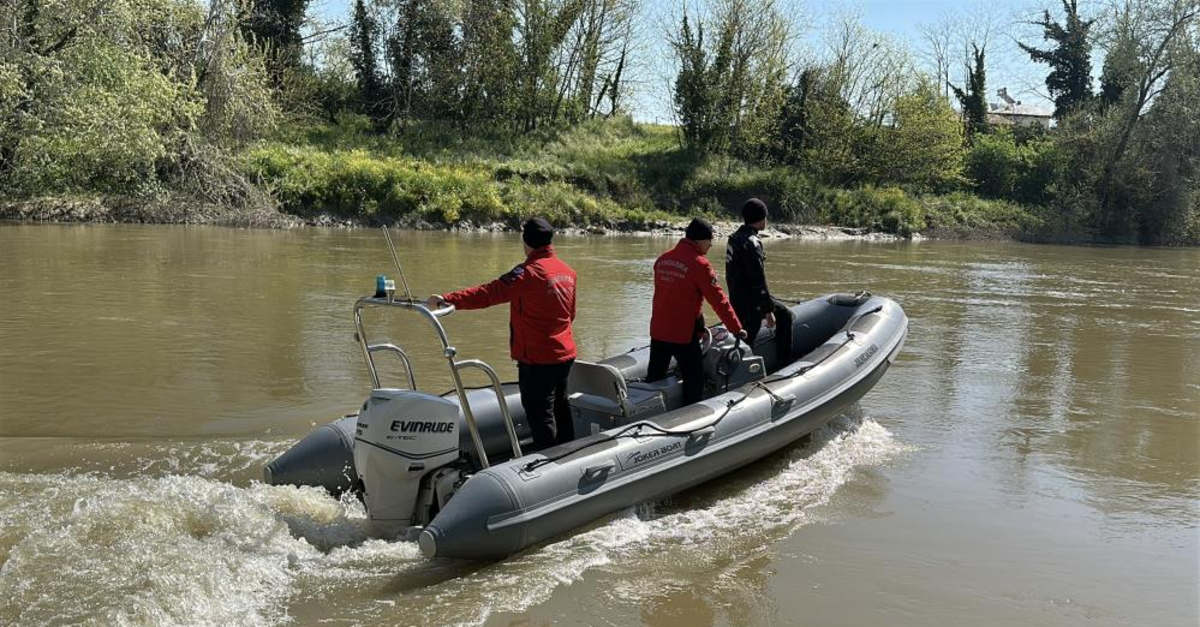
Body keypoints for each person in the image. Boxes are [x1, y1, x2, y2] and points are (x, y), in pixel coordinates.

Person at [427, 218, 577, 450]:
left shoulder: (528, 273)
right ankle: (570, 452)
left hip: (538, 360)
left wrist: (448, 299)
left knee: (540, 414)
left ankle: (551, 462)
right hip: (565, 355)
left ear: (526, 240)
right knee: (560, 406)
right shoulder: (568, 272)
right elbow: (571, 314)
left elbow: (489, 293)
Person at [647, 217, 747, 405]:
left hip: (658, 331)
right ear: (699, 240)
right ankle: (690, 419)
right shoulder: (700, 264)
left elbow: (665, 296)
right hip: (683, 335)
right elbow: (719, 301)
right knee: (695, 379)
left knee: (654, 379)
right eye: (710, 240)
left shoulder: (663, 260)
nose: (711, 245)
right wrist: (735, 328)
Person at [726, 198, 791, 354]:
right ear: (760, 218)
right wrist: (768, 311)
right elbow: (758, 279)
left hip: (736, 298)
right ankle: (784, 359)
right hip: (751, 303)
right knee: (784, 316)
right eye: (765, 216)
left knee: (748, 335)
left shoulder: (734, 238)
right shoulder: (752, 242)